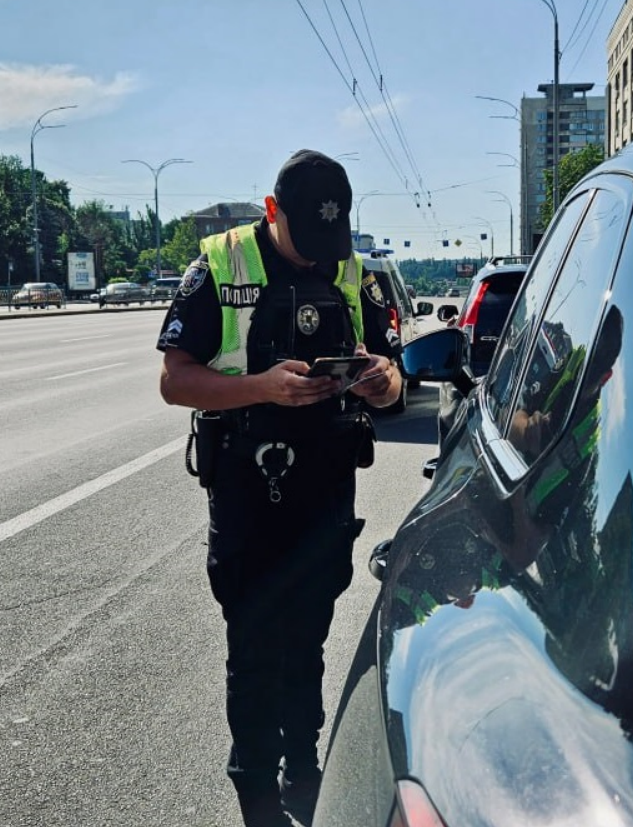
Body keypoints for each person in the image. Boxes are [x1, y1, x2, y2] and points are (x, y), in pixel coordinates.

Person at [155, 149, 402, 827]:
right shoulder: (222, 264)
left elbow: (395, 380)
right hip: (248, 489)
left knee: (309, 640)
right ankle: (257, 790)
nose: (319, 253)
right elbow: (175, 380)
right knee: (255, 645)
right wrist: (261, 388)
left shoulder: (351, 270)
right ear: (272, 211)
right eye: (307, 235)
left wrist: (380, 381)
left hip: (325, 490)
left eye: (331, 235)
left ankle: (304, 768)